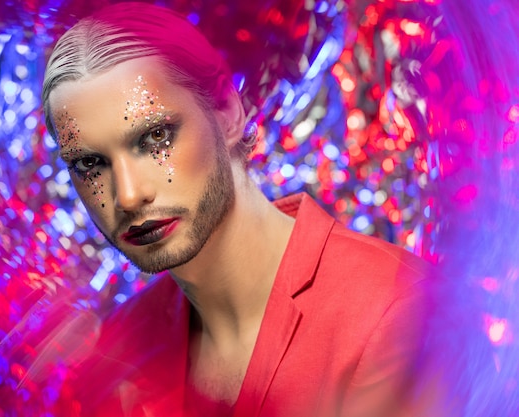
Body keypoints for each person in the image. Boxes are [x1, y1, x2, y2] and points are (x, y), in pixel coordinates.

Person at [40, 2, 438, 416]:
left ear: (228, 113)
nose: (127, 195)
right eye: (90, 163)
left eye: (155, 137)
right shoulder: (118, 347)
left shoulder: (398, 313)